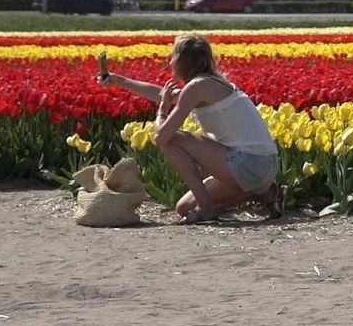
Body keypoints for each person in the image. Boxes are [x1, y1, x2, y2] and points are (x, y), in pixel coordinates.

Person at [100, 34, 281, 224]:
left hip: (249, 164)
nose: (169, 62)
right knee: (183, 208)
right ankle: (263, 192)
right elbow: (162, 94)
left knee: (171, 140)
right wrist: (119, 81)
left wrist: (162, 111)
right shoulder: (208, 83)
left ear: (181, 61)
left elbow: (162, 136)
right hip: (261, 166)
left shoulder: (197, 86)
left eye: (172, 56)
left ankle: (207, 208)